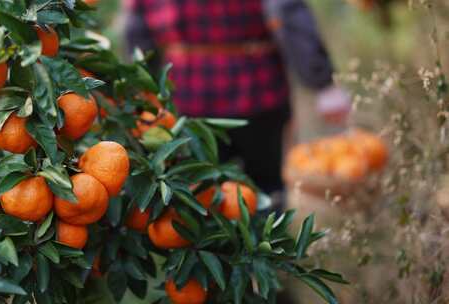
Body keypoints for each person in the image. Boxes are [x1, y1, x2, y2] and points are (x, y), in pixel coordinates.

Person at [124, 0, 350, 209]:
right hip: (257, 92)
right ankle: (267, 248)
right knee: (264, 192)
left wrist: (142, 93)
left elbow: (138, 31)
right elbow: (286, 11)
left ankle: (217, 248)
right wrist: (322, 82)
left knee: (200, 193)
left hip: (191, 96)